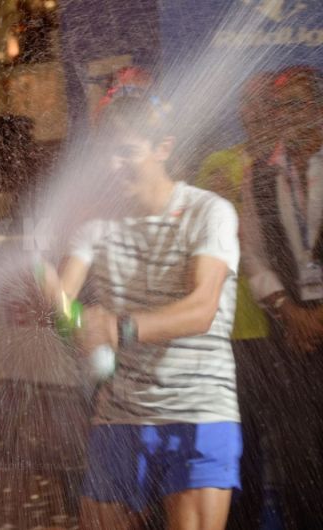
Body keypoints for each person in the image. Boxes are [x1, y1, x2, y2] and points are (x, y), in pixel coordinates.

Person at [41, 91, 242, 530]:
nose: (113, 166)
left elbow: (202, 309)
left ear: (163, 147)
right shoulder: (93, 225)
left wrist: (120, 328)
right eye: (105, 154)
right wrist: (44, 289)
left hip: (199, 411)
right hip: (119, 414)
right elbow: (63, 308)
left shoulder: (209, 212)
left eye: (126, 152)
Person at [241, 66, 323, 530]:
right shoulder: (259, 174)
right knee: (298, 456)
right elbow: (252, 254)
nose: (286, 115)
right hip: (291, 338)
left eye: (296, 104)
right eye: (278, 107)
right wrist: (289, 311)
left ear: (319, 108)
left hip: (312, 324)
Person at [194, 73, 277, 529]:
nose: (257, 111)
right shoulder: (219, 163)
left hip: (285, 327)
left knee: (295, 438)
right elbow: (212, 232)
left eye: (267, 102)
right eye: (249, 102)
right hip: (239, 331)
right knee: (244, 439)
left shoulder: (291, 163)